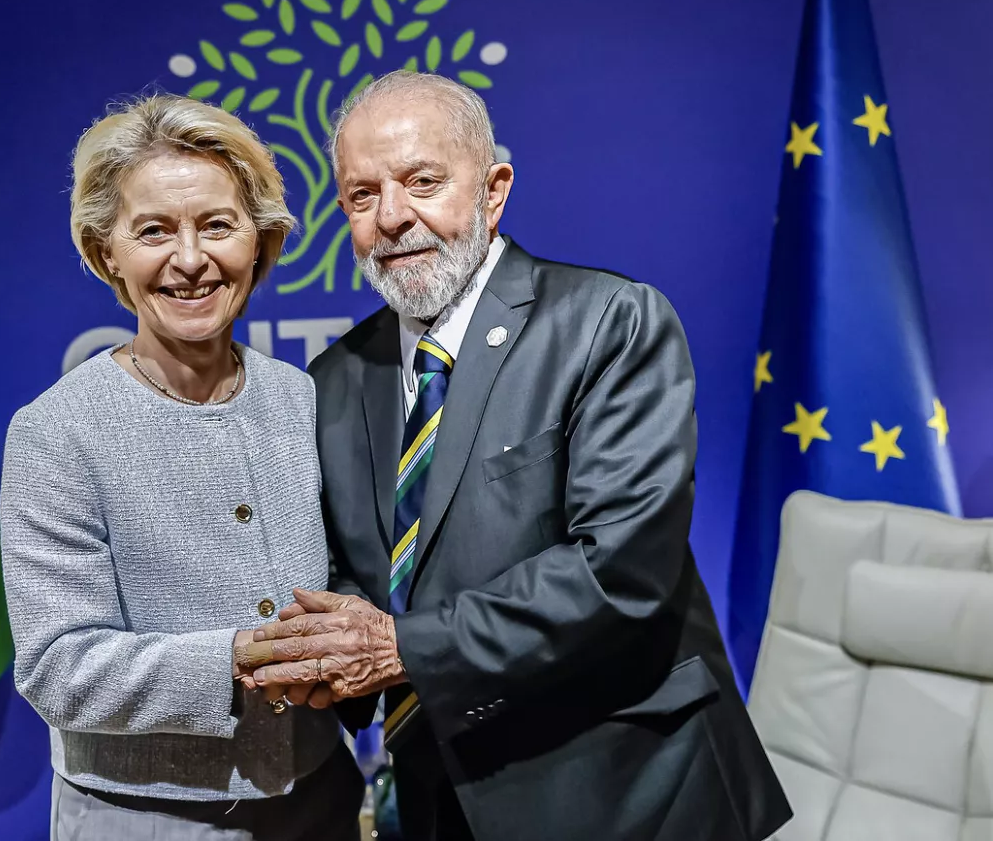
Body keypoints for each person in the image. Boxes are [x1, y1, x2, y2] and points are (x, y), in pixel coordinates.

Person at [245, 71, 793, 840]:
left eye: (422, 181)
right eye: (362, 196)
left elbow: (619, 569)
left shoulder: (608, 324)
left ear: (494, 190)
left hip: (628, 788)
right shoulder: (335, 378)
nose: (393, 216)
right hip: (441, 795)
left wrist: (399, 647)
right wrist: (322, 656)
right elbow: (351, 572)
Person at [0, 94, 363, 841]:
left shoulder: (304, 398)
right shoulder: (55, 433)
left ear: (259, 244)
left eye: (218, 226)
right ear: (109, 255)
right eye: (154, 231)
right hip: (144, 817)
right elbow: (55, 666)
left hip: (320, 797)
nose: (191, 260)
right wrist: (236, 657)